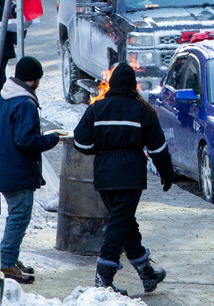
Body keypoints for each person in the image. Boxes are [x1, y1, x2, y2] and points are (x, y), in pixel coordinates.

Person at [72, 62, 176, 295]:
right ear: (132, 85)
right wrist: (167, 174)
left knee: (125, 222)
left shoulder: (96, 109)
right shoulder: (143, 110)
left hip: (104, 176)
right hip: (130, 176)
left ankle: (146, 273)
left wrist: (100, 150)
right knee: (119, 224)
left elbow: (80, 142)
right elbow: (158, 148)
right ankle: (103, 277)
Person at [0, 56, 61, 284]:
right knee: (19, 216)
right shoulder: (25, 103)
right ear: (34, 79)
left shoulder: (1, 99)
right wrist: (52, 139)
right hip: (17, 170)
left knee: (15, 215)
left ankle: (9, 257)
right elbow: (26, 141)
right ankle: (7, 263)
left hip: (1, 166)